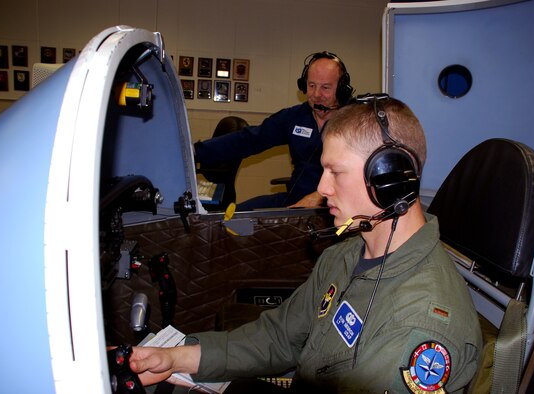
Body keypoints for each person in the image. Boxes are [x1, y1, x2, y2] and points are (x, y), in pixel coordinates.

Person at [130, 95, 482, 393]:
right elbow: (280, 337)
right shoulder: (346, 254)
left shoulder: (419, 324)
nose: (323, 188)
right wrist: (178, 356)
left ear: (388, 179)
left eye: (336, 172)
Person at [194, 51, 354, 210]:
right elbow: (249, 140)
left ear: (341, 89)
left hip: (336, 207)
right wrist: (194, 152)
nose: (316, 94)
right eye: (311, 86)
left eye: (325, 87)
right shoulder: (295, 117)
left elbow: (361, 175)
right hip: (295, 202)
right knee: (235, 218)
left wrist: (320, 196)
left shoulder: (356, 122)